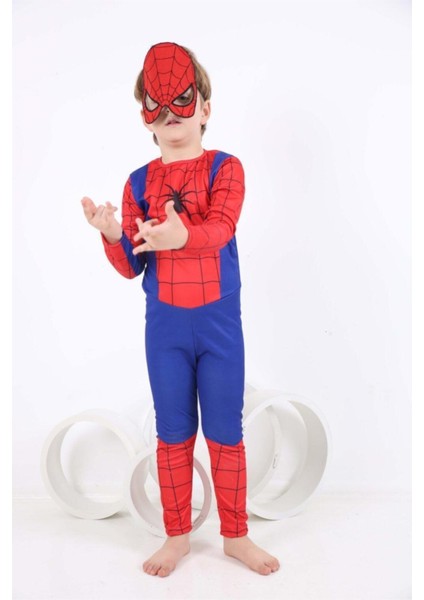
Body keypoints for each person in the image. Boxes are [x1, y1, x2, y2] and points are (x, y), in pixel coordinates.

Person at [81, 41, 280, 578]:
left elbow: (221, 228)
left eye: (183, 101)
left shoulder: (226, 169)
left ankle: (235, 535)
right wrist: (110, 233)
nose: (170, 114)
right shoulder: (138, 183)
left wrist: (179, 235)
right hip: (166, 328)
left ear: (206, 108)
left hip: (219, 327)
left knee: (225, 431)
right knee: (172, 434)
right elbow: (131, 266)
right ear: (145, 117)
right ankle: (177, 536)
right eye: (157, 105)